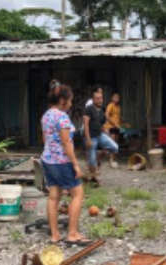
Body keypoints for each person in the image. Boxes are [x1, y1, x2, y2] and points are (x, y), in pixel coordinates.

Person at [40, 81, 92, 246]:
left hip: (47, 159)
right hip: (61, 161)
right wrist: (75, 164)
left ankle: (55, 235)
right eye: (69, 100)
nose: (70, 104)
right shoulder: (62, 117)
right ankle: (73, 233)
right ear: (62, 100)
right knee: (78, 194)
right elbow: (66, 142)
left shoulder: (46, 115)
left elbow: (45, 139)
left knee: (53, 196)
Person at [83, 89, 119, 176]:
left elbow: (102, 125)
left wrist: (106, 132)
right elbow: (86, 124)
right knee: (92, 163)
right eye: (97, 99)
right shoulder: (88, 109)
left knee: (115, 147)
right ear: (93, 99)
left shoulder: (101, 111)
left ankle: (98, 156)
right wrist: (88, 139)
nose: (100, 100)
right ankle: (93, 174)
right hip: (91, 137)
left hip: (100, 135)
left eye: (101, 98)